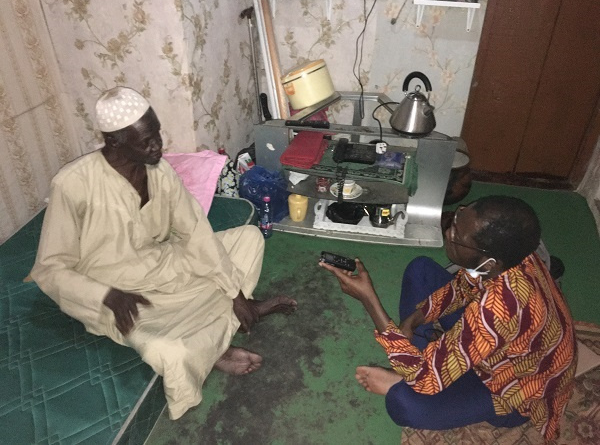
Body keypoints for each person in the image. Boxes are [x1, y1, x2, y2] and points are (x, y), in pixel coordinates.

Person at [31, 86, 297, 420]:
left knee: (248, 239)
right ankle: (216, 346)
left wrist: (233, 291)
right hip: (118, 295)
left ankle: (218, 331)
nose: (158, 144)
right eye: (146, 141)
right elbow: (49, 269)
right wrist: (106, 295)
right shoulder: (72, 184)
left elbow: (195, 231)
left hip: (163, 263)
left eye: (156, 132)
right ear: (114, 142)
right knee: (167, 350)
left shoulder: (160, 171)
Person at [320, 196, 576, 442]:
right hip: (506, 343)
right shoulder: (514, 257)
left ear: (488, 262)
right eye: (457, 219)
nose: (448, 233)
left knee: (404, 404)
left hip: (512, 389)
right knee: (420, 270)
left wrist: (369, 300)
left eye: (457, 236)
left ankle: (409, 372)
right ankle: (415, 360)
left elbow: (429, 381)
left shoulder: (496, 310)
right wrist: (413, 321)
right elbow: (465, 285)